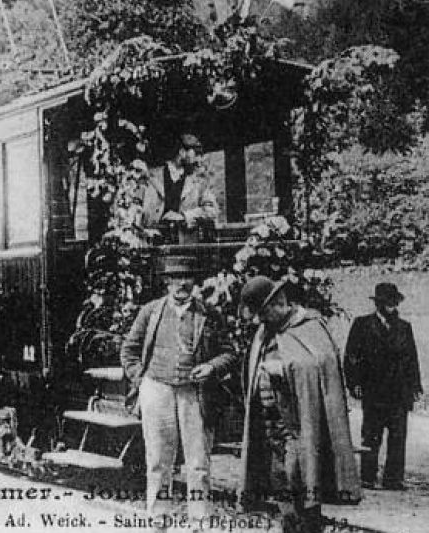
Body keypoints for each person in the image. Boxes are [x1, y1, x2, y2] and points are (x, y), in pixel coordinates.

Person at [238, 276, 360, 533]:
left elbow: (321, 366)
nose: (261, 320)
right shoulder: (266, 331)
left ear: (278, 304)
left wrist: (283, 368)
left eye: (264, 313)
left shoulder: (310, 326)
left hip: (300, 426)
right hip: (270, 426)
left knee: (303, 482)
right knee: (281, 484)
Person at [120, 277, 236, 526]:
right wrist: (141, 380)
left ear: (194, 282)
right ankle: (158, 518)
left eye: (186, 279)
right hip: (157, 390)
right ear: (166, 282)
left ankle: (200, 521)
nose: (181, 285)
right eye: (175, 279)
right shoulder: (151, 311)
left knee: (198, 462)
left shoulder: (210, 314)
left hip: (194, 393)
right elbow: (129, 349)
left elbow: (229, 352)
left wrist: (211, 367)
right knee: (158, 460)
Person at [345, 282, 422, 490]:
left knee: (398, 435)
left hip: (398, 391)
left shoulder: (404, 327)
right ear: (378, 303)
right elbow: (351, 357)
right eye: (388, 302)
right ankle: (368, 477)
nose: (392, 306)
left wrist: (415, 386)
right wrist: (354, 384)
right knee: (371, 434)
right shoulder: (362, 325)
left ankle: (393, 479)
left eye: (394, 302)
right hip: (374, 390)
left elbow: (411, 358)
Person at [137, 133, 218, 230]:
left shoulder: (198, 182)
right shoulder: (151, 177)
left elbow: (212, 210)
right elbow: (135, 209)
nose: (198, 159)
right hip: (152, 238)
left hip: (185, 240)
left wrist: (184, 216)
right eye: (196, 154)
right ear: (182, 152)